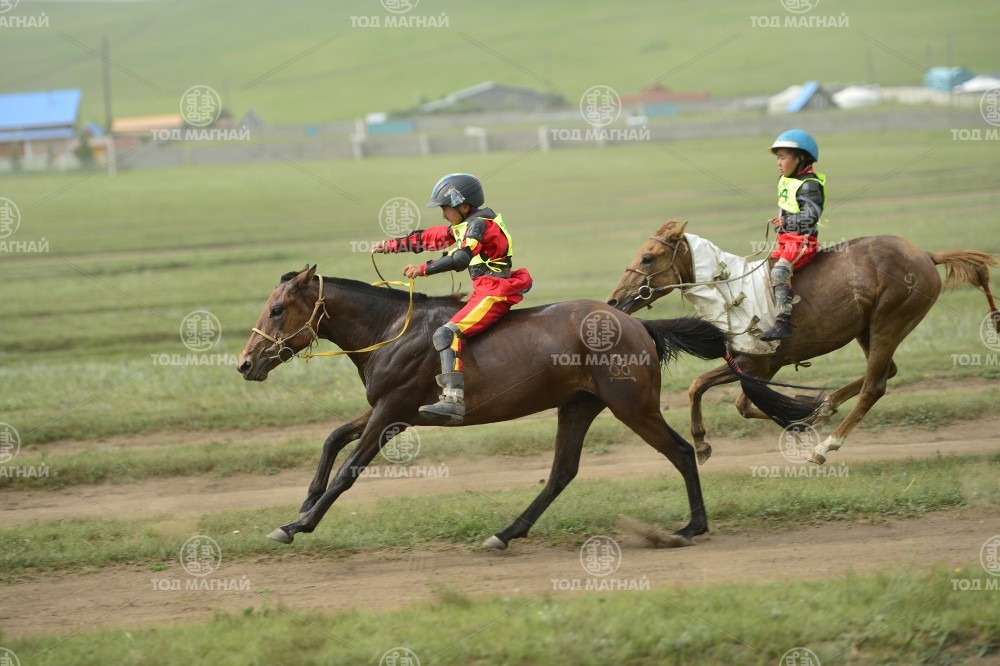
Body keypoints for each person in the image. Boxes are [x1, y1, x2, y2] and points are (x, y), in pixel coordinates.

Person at [372, 173, 533, 424]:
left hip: (494, 291)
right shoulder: (467, 224)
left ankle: (453, 400)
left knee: (446, 334)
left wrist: (422, 269)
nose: (444, 215)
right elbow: (430, 237)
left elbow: (460, 259)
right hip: (485, 289)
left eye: (445, 208)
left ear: (464, 207)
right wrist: (390, 245)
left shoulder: (478, 226)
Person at [759, 129, 826, 341]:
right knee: (764, 271)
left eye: (783, 158)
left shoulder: (809, 184)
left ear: (800, 158)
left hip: (802, 241)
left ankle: (783, 323)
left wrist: (787, 222)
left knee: (779, 272)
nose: (778, 163)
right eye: (778, 158)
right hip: (786, 240)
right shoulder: (787, 179)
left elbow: (812, 215)